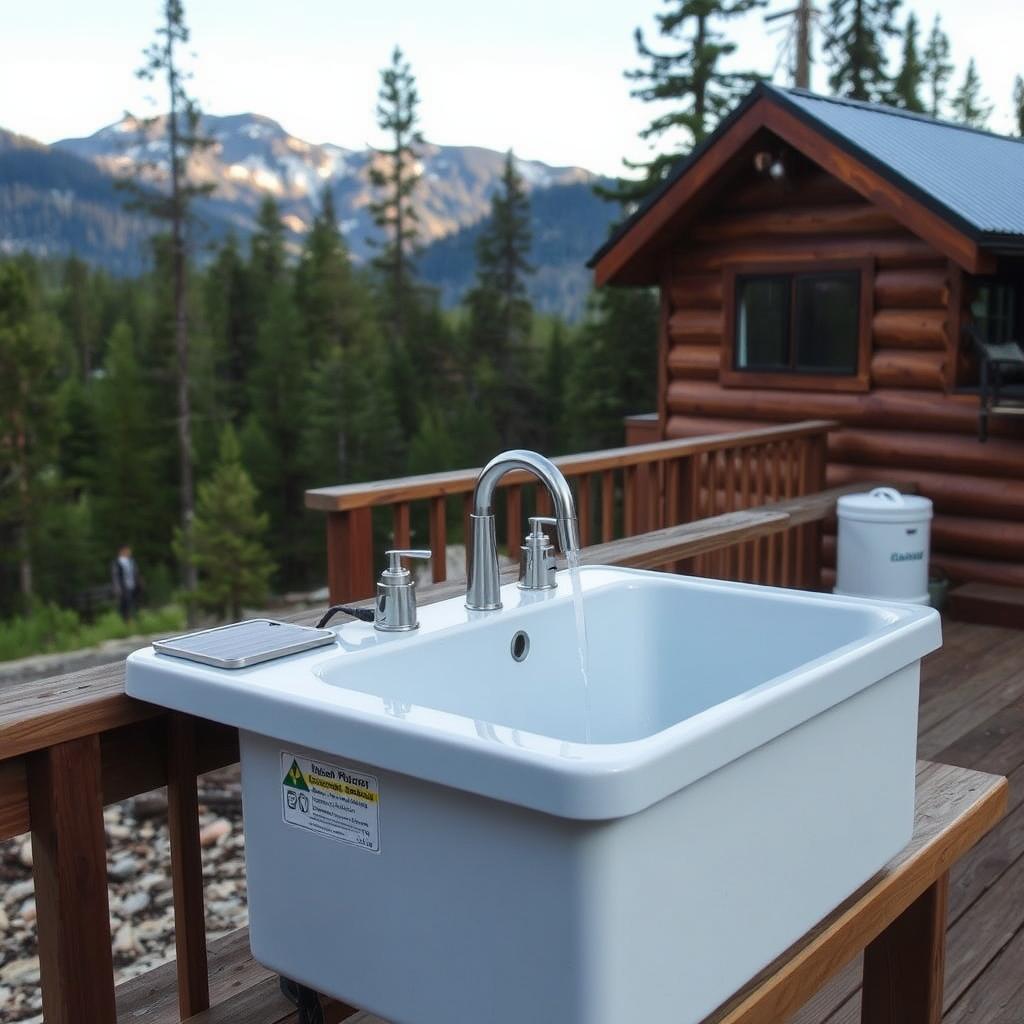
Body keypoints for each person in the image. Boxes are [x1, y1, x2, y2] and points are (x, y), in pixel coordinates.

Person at [111, 544, 142, 621]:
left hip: (133, 585)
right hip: (123, 587)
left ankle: (136, 619)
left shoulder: (131, 561)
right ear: (122, 551)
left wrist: (139, 581)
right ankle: (126, 621)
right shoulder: (117, 562)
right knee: (125, 605)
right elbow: (115, 576)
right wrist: (117, 588)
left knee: (135, 603)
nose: (129, 552)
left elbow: (136, 572)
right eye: (127, 550)